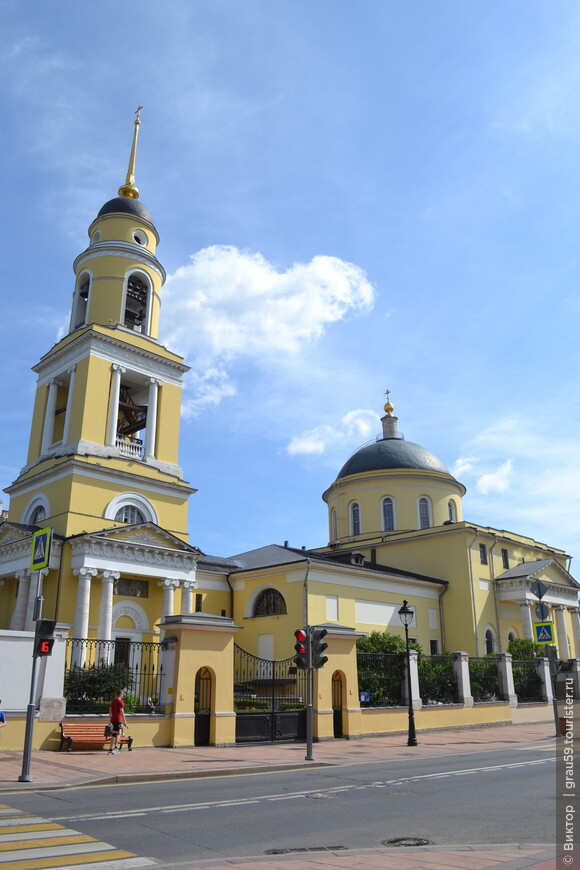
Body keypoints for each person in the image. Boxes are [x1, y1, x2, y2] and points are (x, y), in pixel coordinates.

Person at [108, 689, 128, 755]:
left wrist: (110, 719)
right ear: (120, 694)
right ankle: (114, 749)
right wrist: (125, 721)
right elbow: (122, 712)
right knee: (115, 735)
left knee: (118, 733)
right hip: (117, 720)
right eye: (122, 694)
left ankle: (112, 749)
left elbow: (110, 711)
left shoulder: (113, 701)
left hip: (113, 719)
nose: (123, 695)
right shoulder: (120, 702)